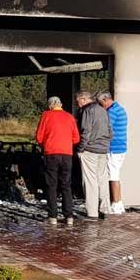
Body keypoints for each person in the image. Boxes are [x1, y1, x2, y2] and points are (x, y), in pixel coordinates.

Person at [35, 96, 80, 226]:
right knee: (66, 185)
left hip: (51, 153)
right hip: (66, 154)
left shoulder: (46, 115)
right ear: (61, 105)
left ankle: (53, 216)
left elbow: (39, 137)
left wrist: (45, 143)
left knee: (51, 185)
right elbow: (76, 138)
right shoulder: (70, 117)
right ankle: (69, 216)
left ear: (50, 105)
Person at [75, 90, 112, 220]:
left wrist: (80, 148)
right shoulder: (103, 110)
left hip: (90, 149)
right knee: (102, 179)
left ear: (84, 99)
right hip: (103, 148)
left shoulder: (87, 110)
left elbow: (86, 131)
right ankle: (105, 208)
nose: (77, 104)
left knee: (90, 181)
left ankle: (92, 213)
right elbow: (110, 130)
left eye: (78, 101)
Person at [97, 91, 129, 215]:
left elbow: (105, 127)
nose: (101, 107)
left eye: (101, 104)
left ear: (105, 100)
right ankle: (118, 203)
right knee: (115, 174)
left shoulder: (112, 112)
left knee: (113, 176)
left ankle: (115, 204)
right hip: (120, 147)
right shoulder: (120, 108)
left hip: (114, 148)